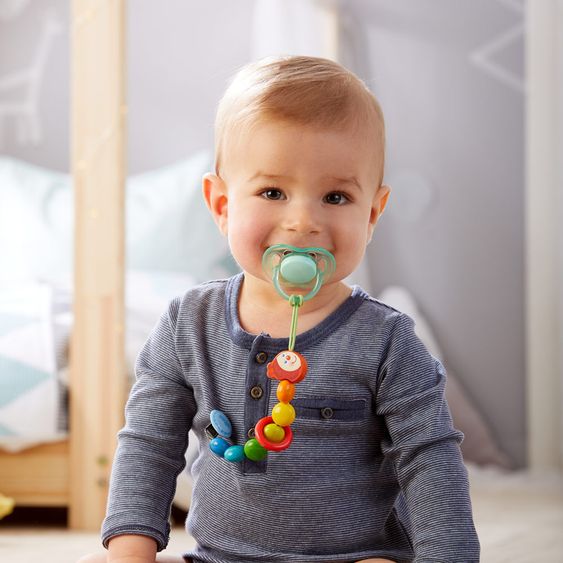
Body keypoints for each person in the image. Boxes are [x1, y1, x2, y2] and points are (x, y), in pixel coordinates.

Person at [79, 56, 480, 563]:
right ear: (222, 205)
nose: (302, 222)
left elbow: (430, 457)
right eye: (273, 192)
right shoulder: (189, 322)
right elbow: (149, 442)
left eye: (336, 196)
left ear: (373, 213)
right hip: (219, 556)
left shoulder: (386, 338)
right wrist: (129, 549)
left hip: (351, 556)